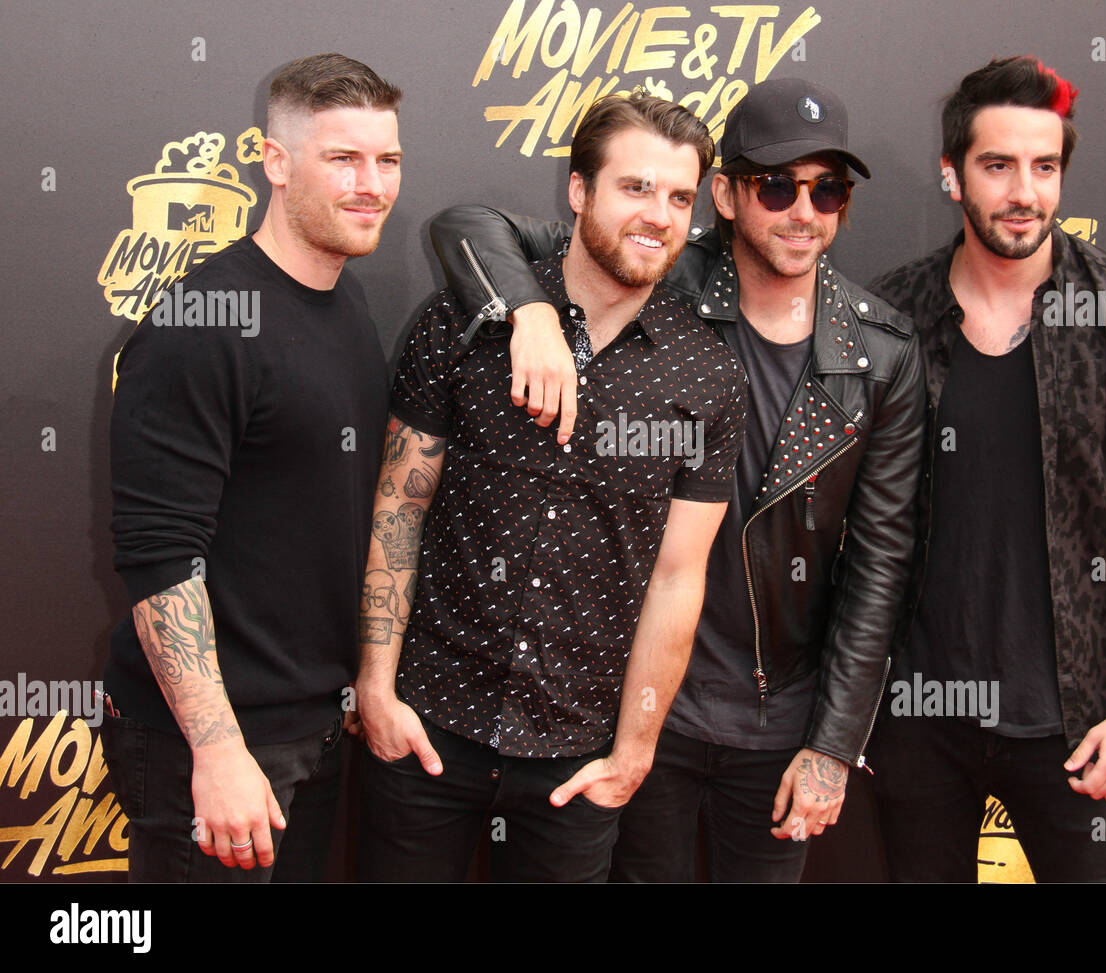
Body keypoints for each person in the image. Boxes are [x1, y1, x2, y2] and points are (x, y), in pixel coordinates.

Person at [427, 78, 924, 881]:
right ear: (726, 196)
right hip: (639, 704)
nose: (804, 210)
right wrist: (533, 311)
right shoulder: (658, 272)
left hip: (776, 720)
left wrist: (834, 744)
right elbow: (465, 226)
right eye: (776, 185)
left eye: (827, 189)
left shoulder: (881, 356)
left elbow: (880, 567)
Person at [354, 91, 747, 883]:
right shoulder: (465, 323)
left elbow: (677, 575)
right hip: (426, 726)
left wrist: (634, 752)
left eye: (679, 196)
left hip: (575, 761)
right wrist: (375, 687)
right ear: (578, 191)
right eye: (635, 188)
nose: (659, 215)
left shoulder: (707, 375)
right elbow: (400, 505)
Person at [866, 55, 1106, 882]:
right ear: (953, 176)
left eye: (1045, 166)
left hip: (1082, 723)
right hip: (918, 720)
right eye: (998, 165)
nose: (1025, 191)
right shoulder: (889, 319)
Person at [102, 53, 402, 881]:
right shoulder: (202, 323)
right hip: (211, 743)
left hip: (309, 722)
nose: (371, 184)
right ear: (274, 162)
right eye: (342, 158)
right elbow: (160, 556)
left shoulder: (345, 299)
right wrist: (219, 748)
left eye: (388, 160)